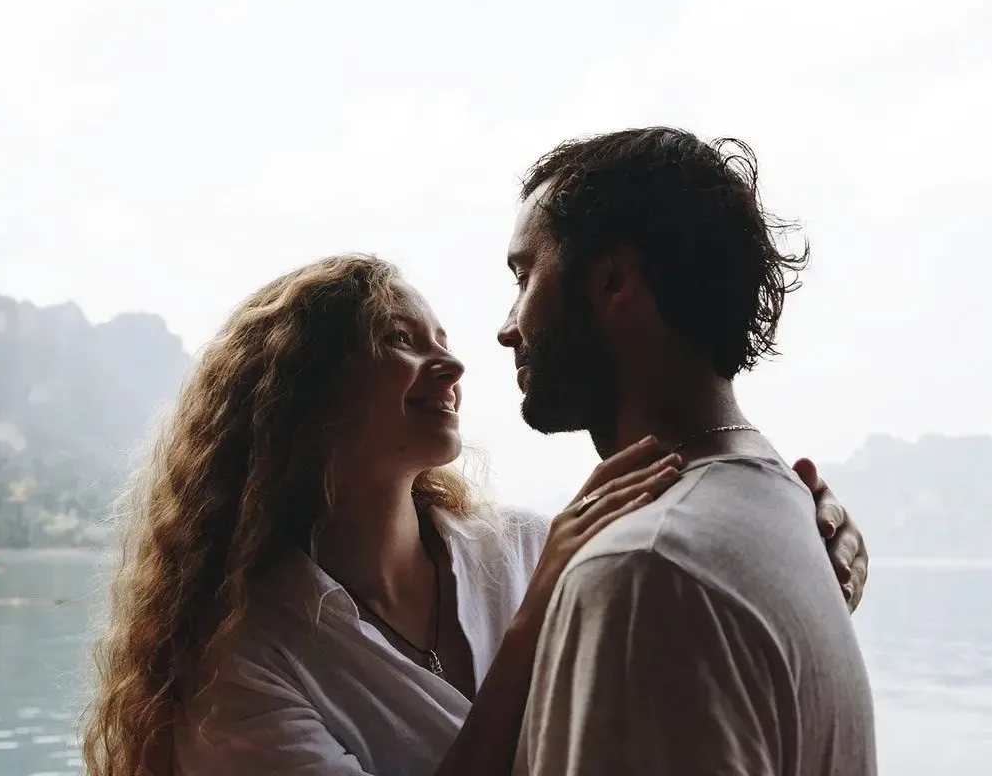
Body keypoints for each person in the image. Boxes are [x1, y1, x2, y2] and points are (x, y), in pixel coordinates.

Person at [81, 254, 869, 776]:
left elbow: (700, 605)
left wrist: (801, 544)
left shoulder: (527, 544)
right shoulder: (235, 662)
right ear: (302, 396)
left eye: (443, 340)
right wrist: (534, 620)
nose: (454, 364)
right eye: (400, 339)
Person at [503, 128, 877, 775]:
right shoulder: (784, 509)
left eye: (524, 275)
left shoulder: (643, 572)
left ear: (614, 281)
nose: (507, 327)